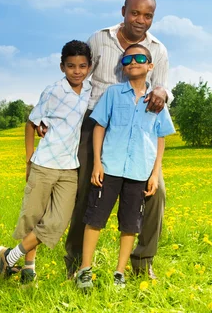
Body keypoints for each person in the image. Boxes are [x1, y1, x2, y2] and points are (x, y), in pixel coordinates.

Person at [59, 0, 173, 280]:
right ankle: (76, 265)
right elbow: (77, 75)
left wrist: (161, 91)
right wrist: (55, 113)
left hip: (136, 128)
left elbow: (162, 90)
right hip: (95, 122)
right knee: (86, 188)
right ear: (123, 11)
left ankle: (141, 261)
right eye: (135, 13)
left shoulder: (158, 50)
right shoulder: (99, 39)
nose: (141, 20)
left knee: (156, 191)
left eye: (148, 15)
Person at [74, 44, 175, 289]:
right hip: (110, 167)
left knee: (130, 224)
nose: (132, 62)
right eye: (127, 59)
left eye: (139, 58)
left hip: (139, 171)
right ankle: (84, 270)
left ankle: (119, 273)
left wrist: (154, 173)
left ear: (150, 66)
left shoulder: (157, 100)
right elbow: (99, 127)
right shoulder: (113, 93)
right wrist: (97, 163)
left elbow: (160, 138)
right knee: (95, 218)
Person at [0, 40, 92, 286]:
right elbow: (31, 122)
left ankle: (8, 256)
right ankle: (28, 269)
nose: (76, 71)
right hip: (45, 164)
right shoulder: (53, 91)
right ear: (62, 67)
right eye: (71, 66)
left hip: (70, 167)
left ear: (89, 67)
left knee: (58, 222)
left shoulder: (91, 91)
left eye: (82, 66)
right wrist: (29, 160)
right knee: (33, 217)